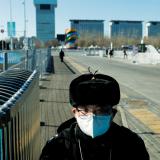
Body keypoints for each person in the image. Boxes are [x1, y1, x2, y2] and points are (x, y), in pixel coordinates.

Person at [40, 72, 149, 160]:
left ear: (112, 114)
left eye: (100, 111)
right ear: (75, 112)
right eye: (85, 110)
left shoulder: (131, 144)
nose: (92, 116)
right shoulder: (58, 146)